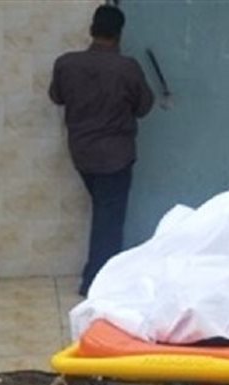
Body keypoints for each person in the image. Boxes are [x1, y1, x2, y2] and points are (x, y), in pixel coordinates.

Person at [49, 5, 154, 296]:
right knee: (109, 220)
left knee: (104, 213)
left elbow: (56, 96)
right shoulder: (127, 68)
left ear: (91, 29)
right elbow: (144, 107)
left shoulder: (66, 64)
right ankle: (97, 282)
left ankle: (99, 276)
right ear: (119, 34)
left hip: (81, 153)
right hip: (116, 156)